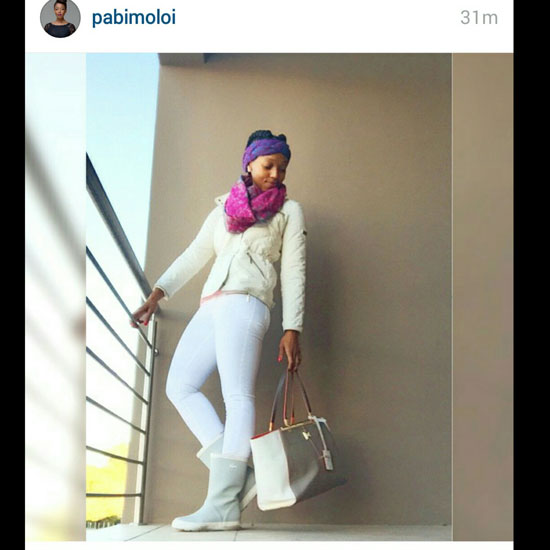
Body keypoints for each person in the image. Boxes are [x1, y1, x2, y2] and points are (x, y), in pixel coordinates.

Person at [130, 130, 307, 531]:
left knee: (237, 396)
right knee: (180, 386)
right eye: (269, 165)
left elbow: (295, 269)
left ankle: (224, 503)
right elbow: (195, 254)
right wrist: (157, 294)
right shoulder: (224, 208)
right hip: (211, 304)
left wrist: (292, 327)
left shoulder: (289, 211)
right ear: (250, 162)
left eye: (282, 168)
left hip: (247, 303)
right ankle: (240, 478)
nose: (276, 174)